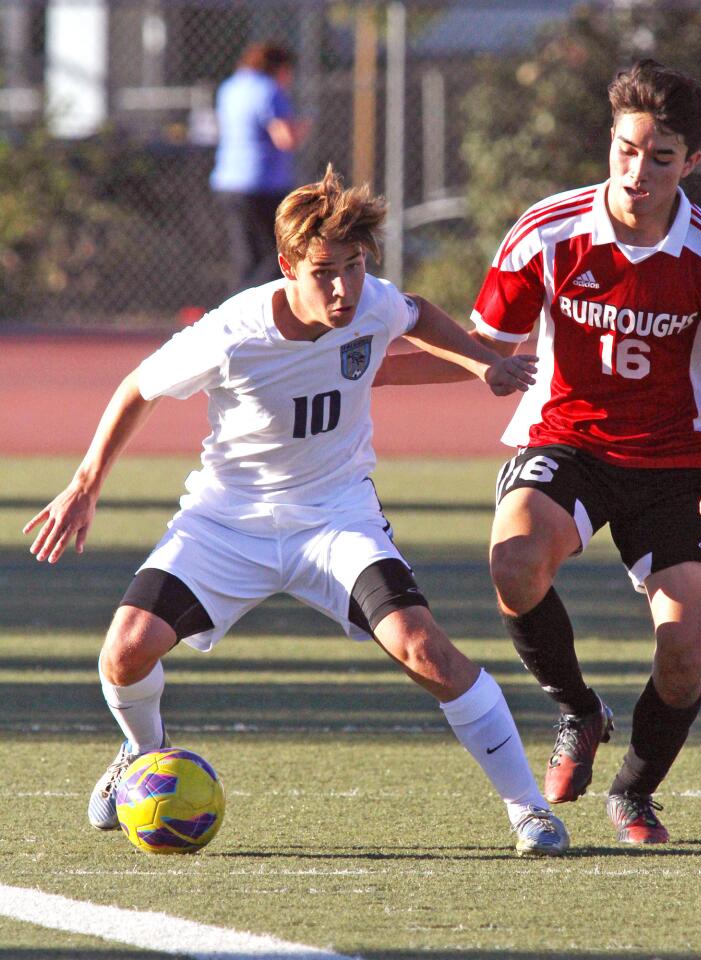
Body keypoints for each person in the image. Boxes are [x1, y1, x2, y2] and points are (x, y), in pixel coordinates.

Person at [24, 166, 570, 858]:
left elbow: (418, 312)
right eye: (323, 272)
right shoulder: (232, 332)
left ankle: (529, 812)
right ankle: (143, 751)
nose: (344, 288)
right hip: (228, 521)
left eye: (354, 266)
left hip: (337, 517)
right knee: (125, 652)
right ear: (287, 267)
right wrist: (85, 483)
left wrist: (481, 362)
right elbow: (138, 387)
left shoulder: (369, 300)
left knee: (424, 648)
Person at [376, 60, 701, 844]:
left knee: (686, 647)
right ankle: (579, 710)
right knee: (514, 560)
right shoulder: (549, 231)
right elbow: (484, 344)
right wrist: (362, 373)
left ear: (690, 162)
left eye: (661, 157)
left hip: (676, 464)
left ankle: (634, 793)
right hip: (567, 441)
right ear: (609, 143)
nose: (639, 171)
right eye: (626, 150)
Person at [210, 41, 310, 295]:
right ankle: (251, 309)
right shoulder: (268, 90)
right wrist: (303, 128)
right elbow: (285, 138)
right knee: (275, 255)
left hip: (228, 181)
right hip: (262, 184)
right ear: (279, 68)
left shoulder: (230, 87)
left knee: (244, 256)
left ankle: (236, 310)